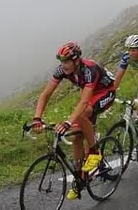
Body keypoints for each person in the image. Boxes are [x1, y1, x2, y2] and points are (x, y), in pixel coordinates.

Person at [30, 42, 118, 200]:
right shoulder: (61, 71)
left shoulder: (89, 69)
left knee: (82, 114)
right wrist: (37, 118)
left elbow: (84, 103)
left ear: (76, 60)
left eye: (66, 61)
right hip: (90, 97)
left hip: (106, 93)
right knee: (76, 136)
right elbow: (46, 94)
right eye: (61, 61)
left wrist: (67, 122)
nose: (63, 65)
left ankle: (94, 152)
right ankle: (80, 177)